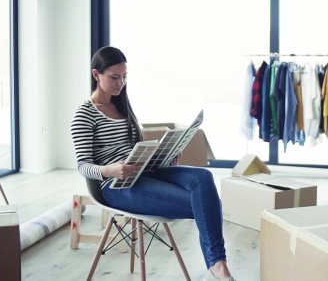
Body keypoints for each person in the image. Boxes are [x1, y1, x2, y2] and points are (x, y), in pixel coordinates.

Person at [70, 46, 235, 281]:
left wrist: (165, 157)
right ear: (96, 75)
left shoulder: (122, 106)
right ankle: (219, 265)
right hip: (116, 186)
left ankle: (217, 264)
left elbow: (133, 148)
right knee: (205, 204)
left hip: (144, 172)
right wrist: (109, 170)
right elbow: (83, 165)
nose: (121, 83)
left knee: (203, 177)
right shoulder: (84, 115)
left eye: (125, 77)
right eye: (114, 77)